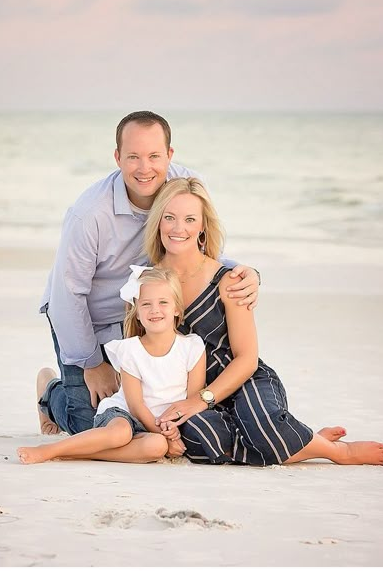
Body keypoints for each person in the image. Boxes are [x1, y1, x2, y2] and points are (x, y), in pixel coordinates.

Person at [37, 111, 260, 436]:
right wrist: (93, 363)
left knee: (150, 421)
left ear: (170, 155)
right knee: (91, 426)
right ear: (117, 158)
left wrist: (247, 273)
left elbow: (202, 246)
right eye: (133, 157)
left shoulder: (185, 185)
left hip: (150, 315)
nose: (145, 168)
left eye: (155, 156)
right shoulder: (89, 215)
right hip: (89, 322)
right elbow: (66, 297)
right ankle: (49, 392)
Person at [144, 177, 383, 466]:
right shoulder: (145, 283)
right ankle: (302, 441)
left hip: (242, 379)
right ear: (158, 222)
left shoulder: (229, 280)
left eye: (190, 219)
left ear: (203, 227)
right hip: (187, 390)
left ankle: (336, 451)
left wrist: (201, 399)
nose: (178, 228)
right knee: (200, 441)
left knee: (264, 427)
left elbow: (247, 358)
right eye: (170, 218)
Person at [17, 267, 206, 465]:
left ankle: (77, 453)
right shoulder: (131, 349)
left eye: (163, 302)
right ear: (138, 313)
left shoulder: (192, 347)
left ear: (177, 308)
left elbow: (192, 401)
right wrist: (169, 436)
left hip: (161, 428)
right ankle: (50, 450)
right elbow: (136, 405)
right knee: (120, 434)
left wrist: (169, 434)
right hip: (125, 415)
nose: (155, 310)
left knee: (157, 447)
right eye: (146, 304)